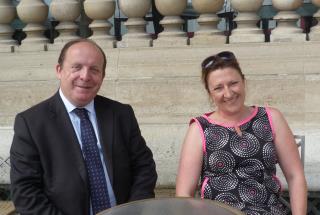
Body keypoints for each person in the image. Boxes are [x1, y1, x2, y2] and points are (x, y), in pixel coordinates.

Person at [10, 38, 157, 215]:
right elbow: (25, 192)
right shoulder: (31, 123)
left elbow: (144, 167)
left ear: (103, 76)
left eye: (94, 69)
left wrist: (134, 210)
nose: (85, 76)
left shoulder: (121, 114)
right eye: (77, 67)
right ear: (59, 70)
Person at [175, 51, 307, 215]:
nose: (228, 93)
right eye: (218, 88)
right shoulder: (200, 128)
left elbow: (295, 176)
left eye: (233, 83)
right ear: (210, 93)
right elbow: (184, 194)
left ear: (244, 82)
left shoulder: (271, 118)